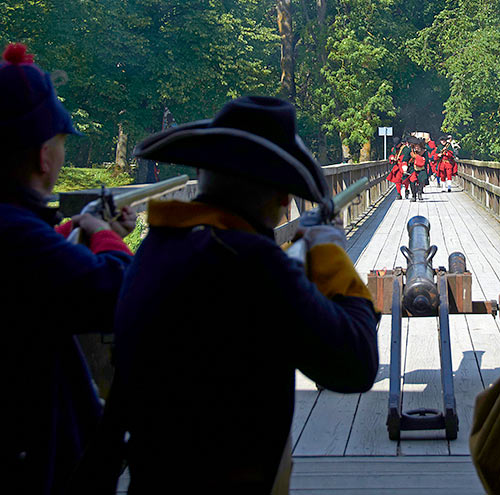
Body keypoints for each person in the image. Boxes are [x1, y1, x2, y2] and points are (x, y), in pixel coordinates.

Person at [110, 96, 380, 493]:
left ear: (201, 171)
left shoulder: (156, 250)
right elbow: (357, 363)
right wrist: (330, 253)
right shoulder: (252, 263)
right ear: (283, 197)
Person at [0, 43, 135, 495]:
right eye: (61, 143)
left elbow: (38, 272)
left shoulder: (20, 232)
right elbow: (121, 292)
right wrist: (105, 235)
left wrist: (75, 231)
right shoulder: (17, 235)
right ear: (44, 155)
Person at [408, 137, 429, 202]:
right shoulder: (411, 152)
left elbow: (427, 161)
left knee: (421, 181)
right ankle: (413, 196)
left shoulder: (424, 152)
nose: (416, 147)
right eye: (415, 146)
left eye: (418, 146)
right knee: (412, 182)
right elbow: (405, 159)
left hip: (422, 169)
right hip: (413, 169)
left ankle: (420, 193)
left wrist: (419, 158)